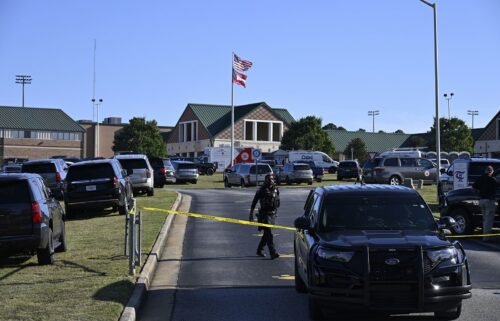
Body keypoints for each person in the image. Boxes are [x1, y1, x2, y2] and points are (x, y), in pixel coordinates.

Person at [249, 174, 280, 259]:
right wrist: (251, 214)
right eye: (269, 179)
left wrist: (276, 213)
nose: (271, 180)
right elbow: (254, 202)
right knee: (269, 234)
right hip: (264, 215)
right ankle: (273, 252)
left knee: (267, 234)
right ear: (265, 180)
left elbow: (277, 203)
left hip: (272, 214)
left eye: (272, 179)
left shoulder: (275, 190)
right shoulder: (261, 190)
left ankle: (259, 250)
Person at [472, 166, 497, 241]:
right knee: (488, 221)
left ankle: (484, 235)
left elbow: (473, 188)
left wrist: (478, 194)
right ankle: (486, 238)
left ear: (485, 171)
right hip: (489, 201)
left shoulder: (480, 178)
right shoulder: (493, 180)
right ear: (491, 171)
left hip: (481, 201)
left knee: (485, 219)